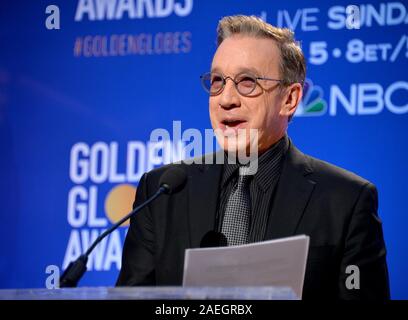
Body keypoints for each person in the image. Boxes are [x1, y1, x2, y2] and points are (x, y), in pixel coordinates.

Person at [117, 15, 389, 300]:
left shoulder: (345, 201)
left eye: (247, 82)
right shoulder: (162, 192)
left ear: (290, 99)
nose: (226, 99)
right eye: (218, 81)